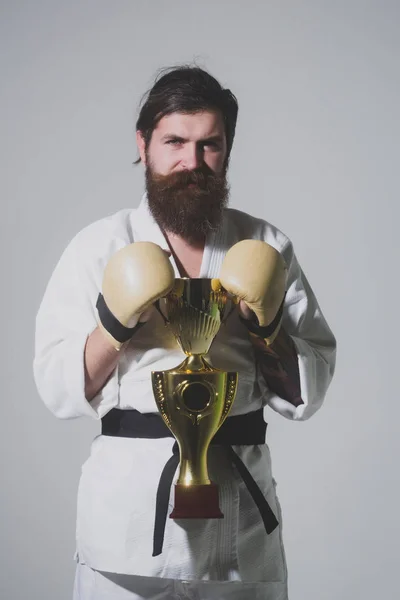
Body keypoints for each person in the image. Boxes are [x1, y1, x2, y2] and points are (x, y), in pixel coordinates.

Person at [33, 65, 336, 600]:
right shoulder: (98, 246)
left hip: (239, 528)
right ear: (143, 144)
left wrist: (267, 328)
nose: (190, 163)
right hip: (125, 531)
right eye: (174, 141)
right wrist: (113, 322)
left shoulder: (265, 245)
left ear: (227, 150)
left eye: (209, 145)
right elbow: (58, 389)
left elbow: (308, 392)